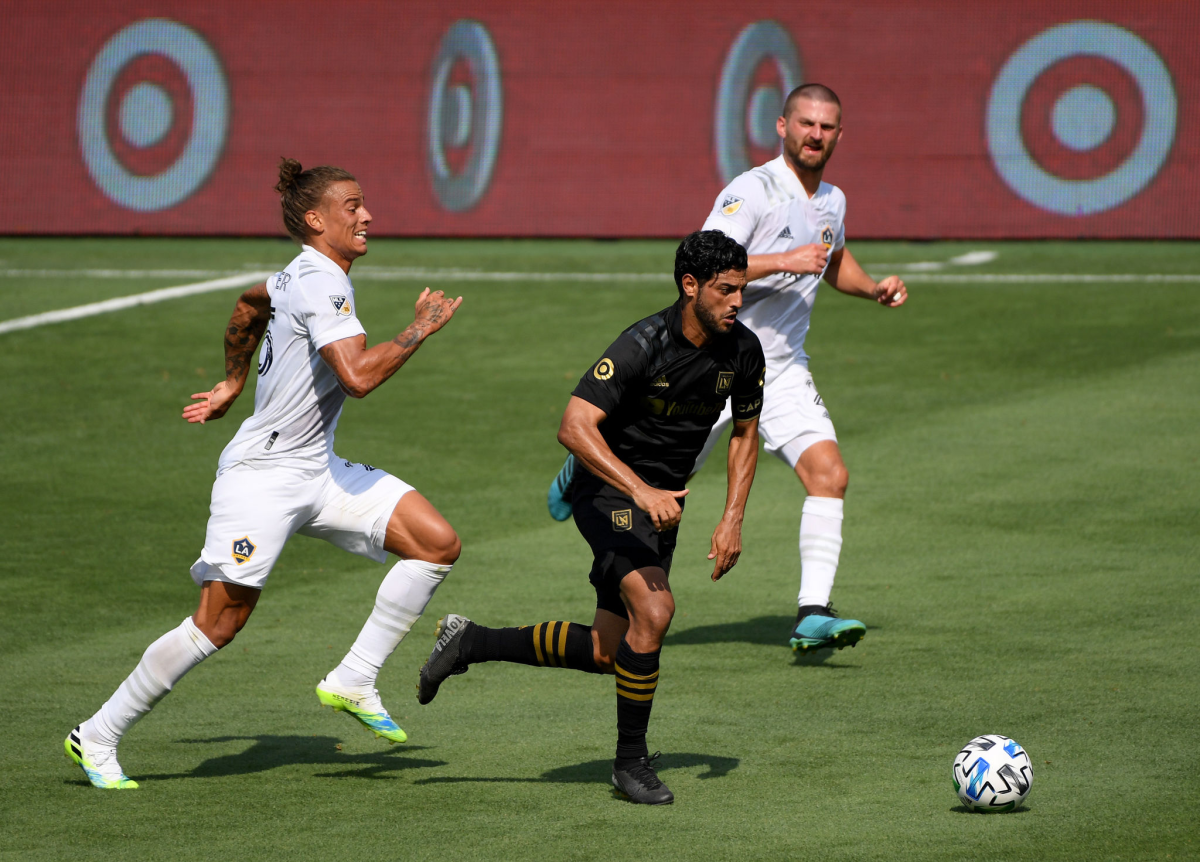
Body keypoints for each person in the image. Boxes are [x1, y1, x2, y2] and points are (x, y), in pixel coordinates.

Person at [64, 159, 463, 789]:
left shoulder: (300, 275)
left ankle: (354, 678)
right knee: (220, 622)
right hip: (262, 477)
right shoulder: (321, 281)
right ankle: (98, 734)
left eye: (365, 204)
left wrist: (232, 378)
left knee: (436, 543)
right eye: (352, 206)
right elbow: (357, 378)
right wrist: (419, 329)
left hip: (317, 470)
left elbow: (250, 303)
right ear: (315, 219)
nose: (367, 216)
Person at [551, 84, 908, 654]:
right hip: (714, 366)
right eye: (807, 123)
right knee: (665, 482)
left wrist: (873, 289)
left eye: (827, 127)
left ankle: (812, 612)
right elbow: (707, 256)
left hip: (783, 368)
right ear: (782, 127)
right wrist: (783, 260)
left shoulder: (833, 201)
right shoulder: (754, 190)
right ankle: (587, 470)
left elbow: (834, 259)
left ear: (840, 134)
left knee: (829, 475)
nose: (816, 134)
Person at [417, 230, 765, 805]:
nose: (737, 302)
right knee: (655, 611)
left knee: (612, 650)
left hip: (662, 505)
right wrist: (640, 488)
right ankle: (629, 766)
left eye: (741, 290)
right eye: (726, 290)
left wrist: (732, 518)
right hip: (606, 491)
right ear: (690, 286)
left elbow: (745, 434)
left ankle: (470, 642)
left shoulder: (743, 350)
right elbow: (573, 426)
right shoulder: (642, 343)